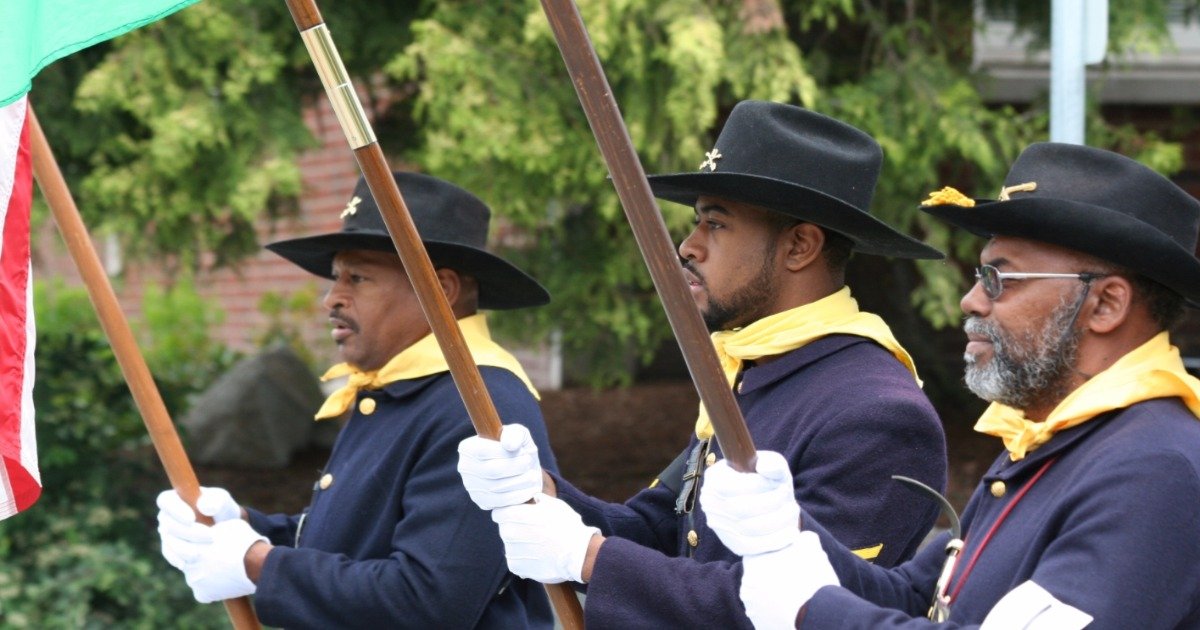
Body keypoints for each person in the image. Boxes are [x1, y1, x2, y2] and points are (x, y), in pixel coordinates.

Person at [456, 100, 950, 628]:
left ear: (800, 246)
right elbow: (662, 527)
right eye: (696, 222)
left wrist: (589, 558)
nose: (687, 246)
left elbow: (787, 605)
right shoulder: (758, 366)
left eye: (715, 224)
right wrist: (544, 493)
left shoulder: (876, 411)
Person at [702, 141, 1200, 629]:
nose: (971, 300)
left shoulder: (1154, 468)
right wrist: (784, 534)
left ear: (1107, 305)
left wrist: (811, 610)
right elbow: (920, 595)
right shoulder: (1066, 440)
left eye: (1001, 279)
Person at [154, 172, 561, 628]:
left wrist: (257, 563)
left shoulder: (478, 407)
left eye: (357, 277)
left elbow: (428, 601)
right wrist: (245, 527)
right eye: (334, 278)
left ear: (441, 290)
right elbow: (354, 542)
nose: (332, 298)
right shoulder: (407, 389)